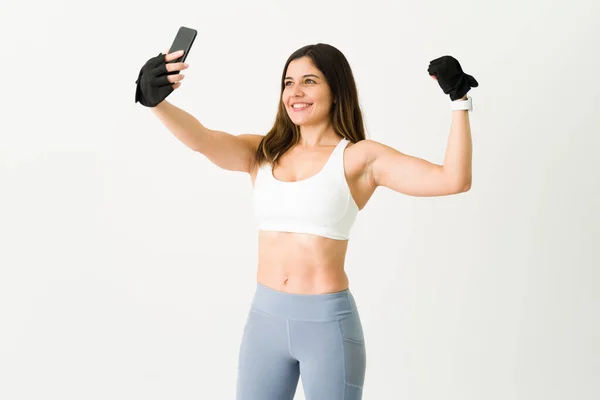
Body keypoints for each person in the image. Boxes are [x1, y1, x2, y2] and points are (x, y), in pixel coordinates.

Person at [134, 43, 477, 399]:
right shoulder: (263, 152)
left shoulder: (360, 158)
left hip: (326, 327)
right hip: (263, 321)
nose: (295, 92)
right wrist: (156, 102)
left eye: (309, 81)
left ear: (336, 90)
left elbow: (454, 180)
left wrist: (459, 101)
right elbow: (203, 140)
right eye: (288, 82)